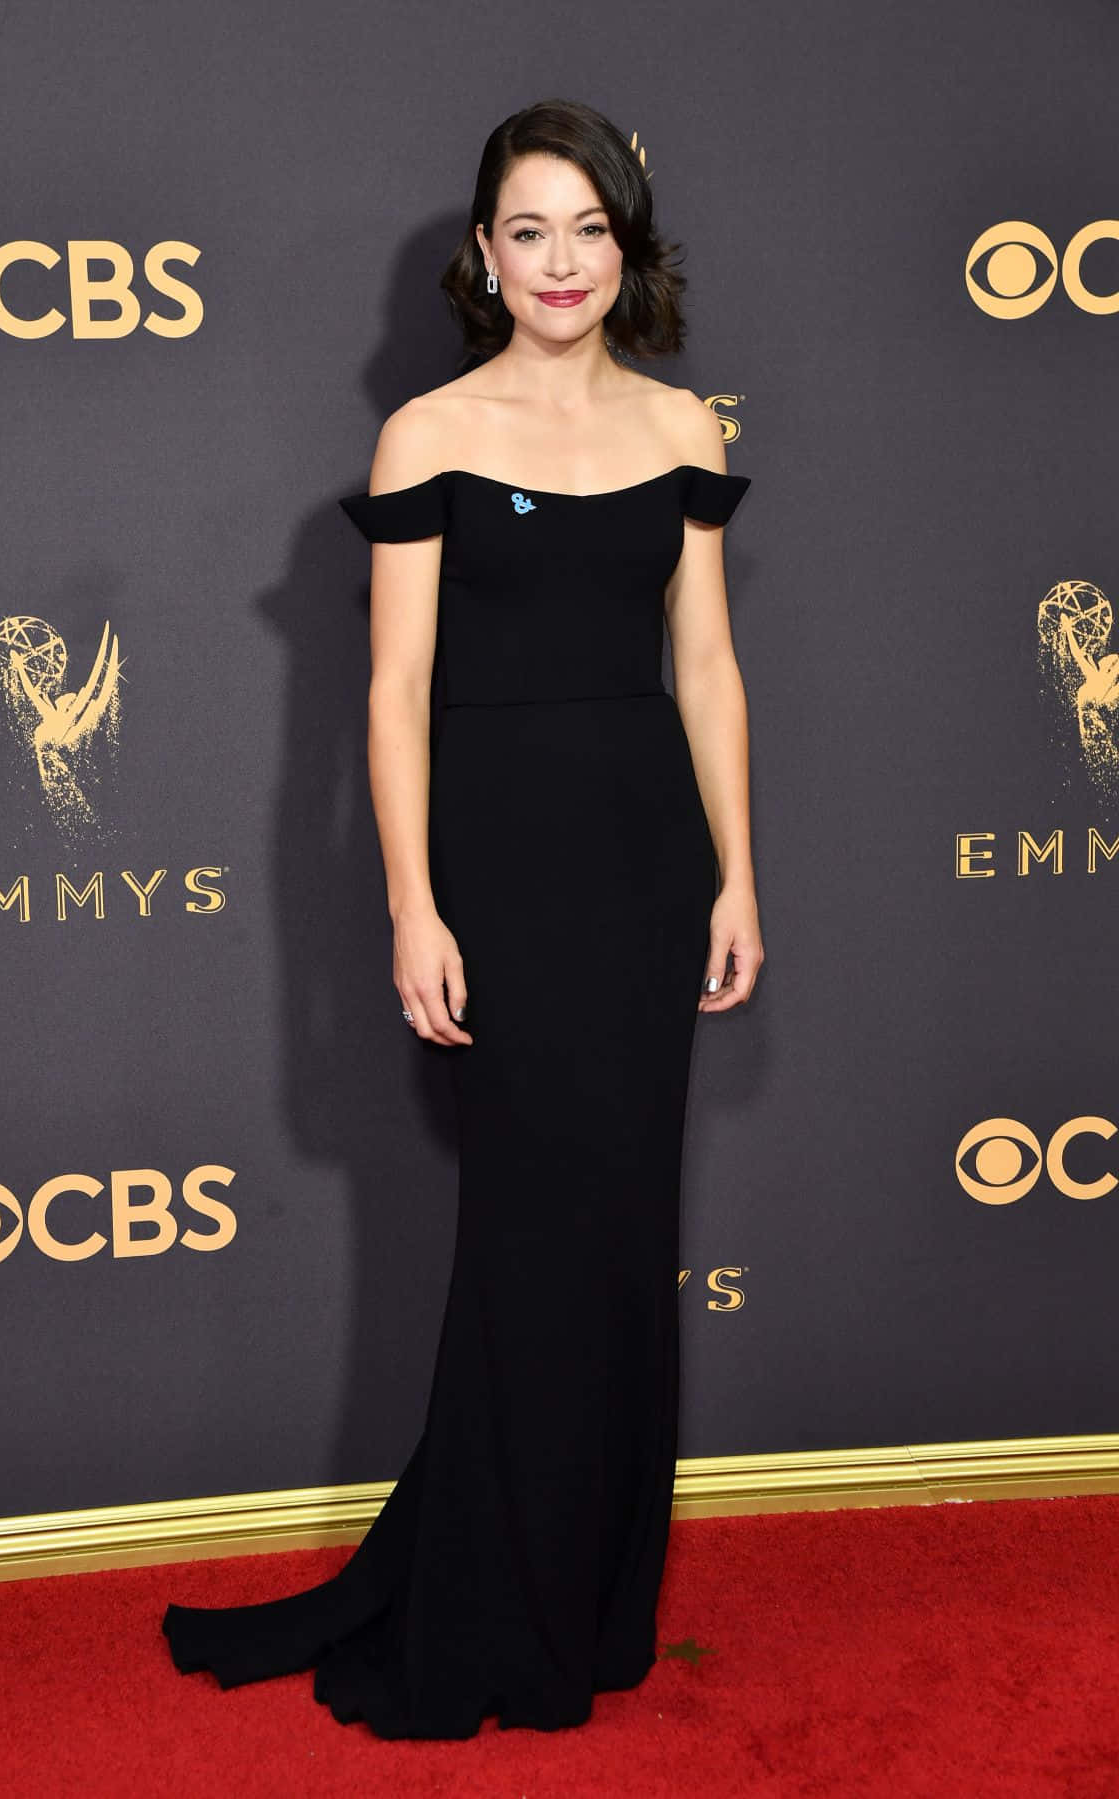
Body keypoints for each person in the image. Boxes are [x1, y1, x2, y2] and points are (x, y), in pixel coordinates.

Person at [162, 95, 764, 1742]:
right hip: (498, 874)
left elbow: (708, 668)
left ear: (628, 248)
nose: (560, 261)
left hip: (645, 866)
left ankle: (594, 1606)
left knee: (623, 1241)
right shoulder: (428, 434)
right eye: (528, 229)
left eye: (590, 229)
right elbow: (392, 694)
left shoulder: (684, 428)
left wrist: (738, 874)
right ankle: (492, 1607)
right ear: (483, 253)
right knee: (525, 1239)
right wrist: (412, 905)